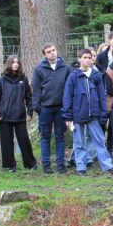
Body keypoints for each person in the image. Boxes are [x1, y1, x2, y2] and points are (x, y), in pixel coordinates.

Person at [64, 48, 113, 175]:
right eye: (85, 58)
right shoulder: (73, 76)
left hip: (94, 115)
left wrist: (103, 114)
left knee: (99, 141)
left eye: (89, 58)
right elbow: (67, 96)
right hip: (78, 115)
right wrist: (67, 116)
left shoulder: (96, 76)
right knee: (79, 142)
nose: (87, 60)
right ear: (79, 59)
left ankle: (107, 166)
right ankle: (81, 167)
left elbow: (101, 96)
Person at [32, 42, 72, 174]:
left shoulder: (65, 67)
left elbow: (69, 87)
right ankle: (46, 164)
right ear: (45, 54)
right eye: (49, 52)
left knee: (60, 136)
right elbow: (37, 89)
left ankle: (60, 164)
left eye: (53, 50)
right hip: (45, 108)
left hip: (61, 107)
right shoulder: (39, 68)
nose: (52, 53)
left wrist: (68, 106)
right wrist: (37, 106)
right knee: (45, 136)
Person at [0, 55, 37, 172]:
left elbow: (28, 97)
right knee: (6, 140)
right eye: (13, 62)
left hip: (19, 115)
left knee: (24, 139)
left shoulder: (24, 79)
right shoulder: (2, 79)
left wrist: (30, 110)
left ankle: (30, 163)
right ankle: (9, 165)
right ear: (9, 64)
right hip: (5, 115)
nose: (15, 64)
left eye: (17, 62)